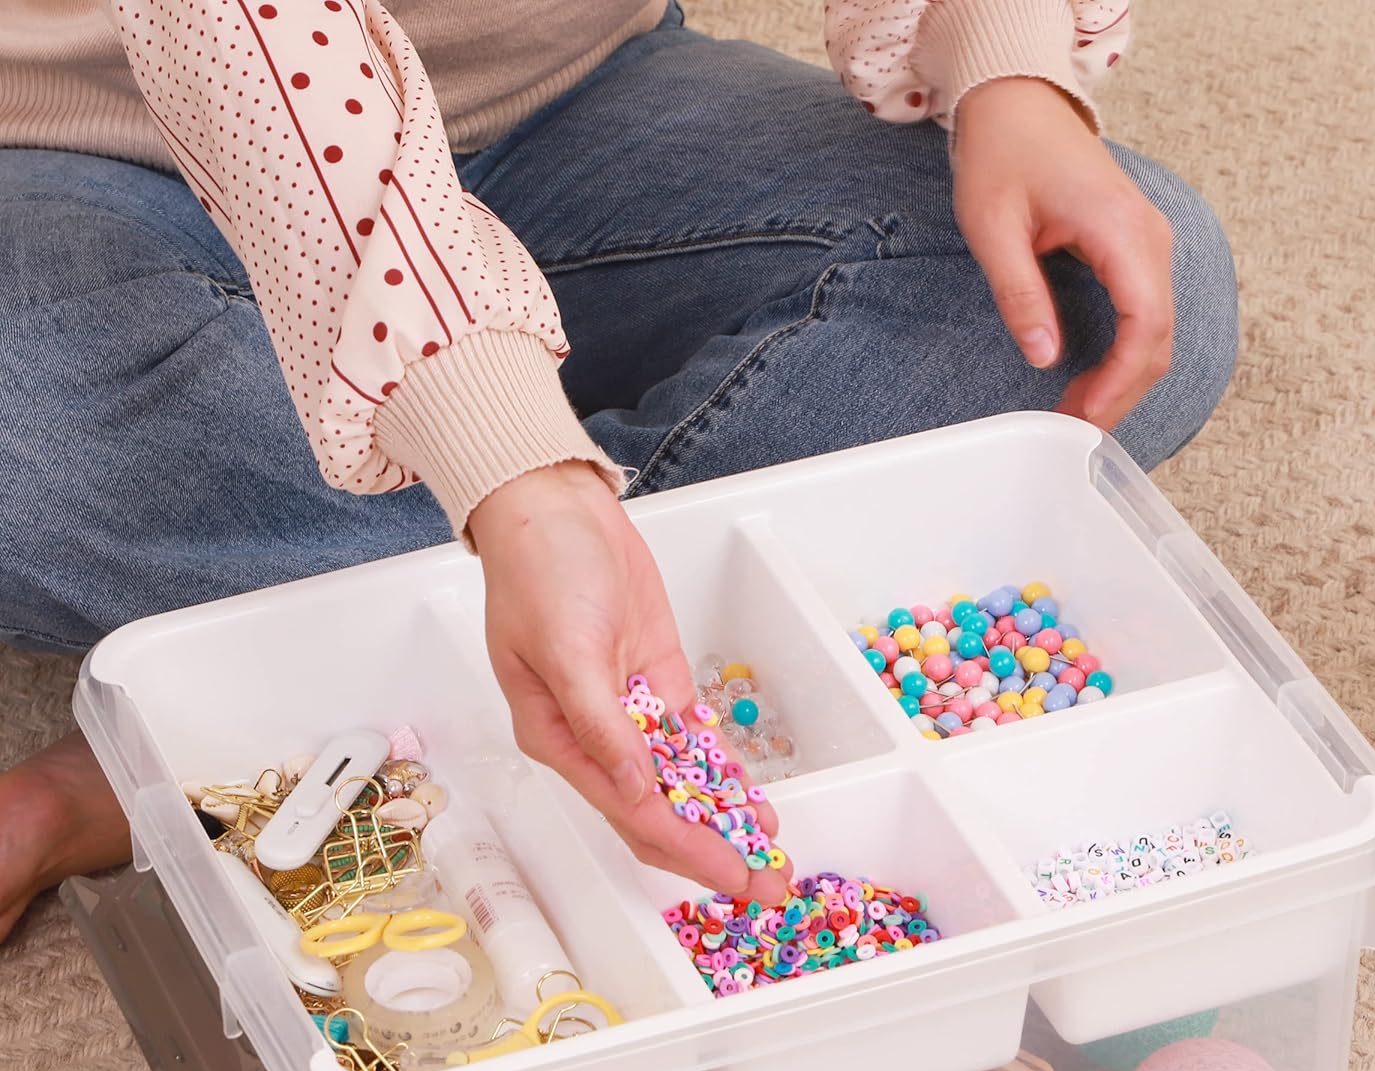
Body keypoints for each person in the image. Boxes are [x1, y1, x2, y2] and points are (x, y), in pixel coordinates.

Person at [0, 0, 1236, 942]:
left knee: (1093, 296)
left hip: (564, 96)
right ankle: (526, 565)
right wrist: (510, 464)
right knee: (41, 431)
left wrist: (1007, 70)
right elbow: (253, 48)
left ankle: (246, 711)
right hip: (74, 140)